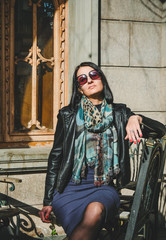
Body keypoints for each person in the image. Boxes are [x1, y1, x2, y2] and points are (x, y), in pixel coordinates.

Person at [39, 62, 165, 240]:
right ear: (80, 89)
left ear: (102, 79)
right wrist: (47, 201)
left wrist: (137, 118)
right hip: (69, 189)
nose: (89, 80)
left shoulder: (120, 114)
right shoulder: (68, 115)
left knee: (95, 211)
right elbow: (56, 157)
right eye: (83, 79)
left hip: (103, 188)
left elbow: (161, 129)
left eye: (93, 75)